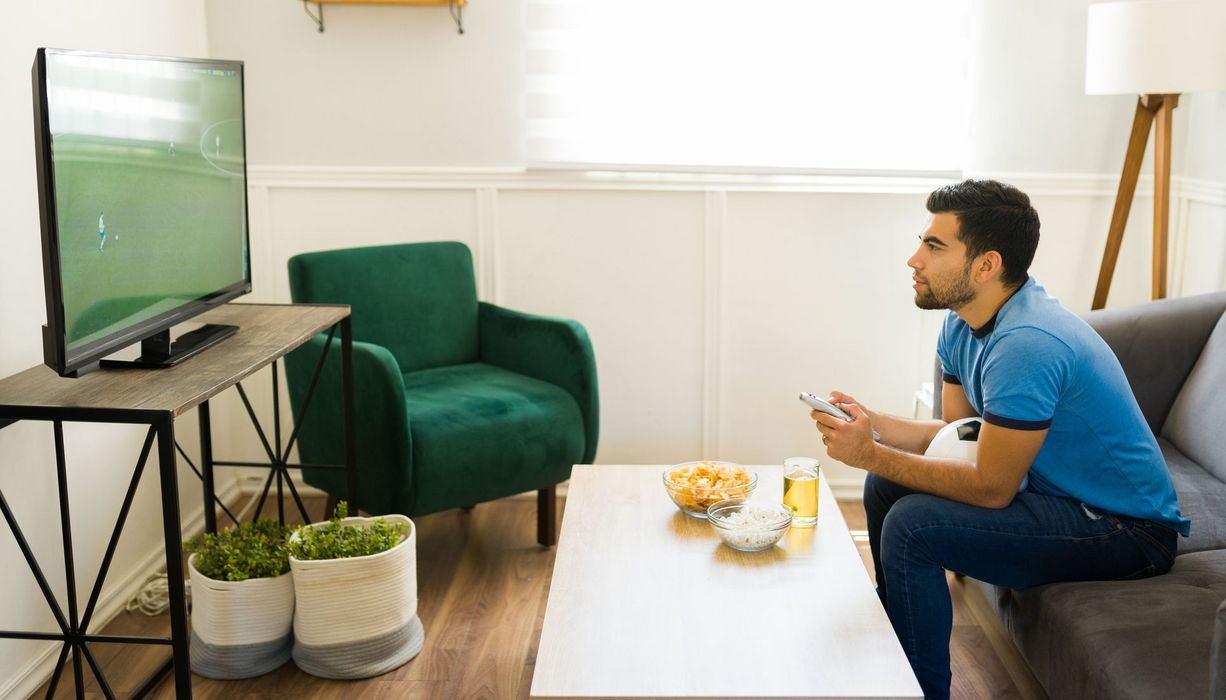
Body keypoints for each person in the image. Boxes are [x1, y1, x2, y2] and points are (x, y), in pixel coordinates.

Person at [811, 179, 1187, 700]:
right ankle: (894, 647)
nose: (913, 259)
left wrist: (872, 451)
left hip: (1124, 529)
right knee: (883, 486)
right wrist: (870, 424)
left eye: (934, 247)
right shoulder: (961, 322)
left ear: (986, 265)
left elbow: (991, 488)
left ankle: (921, 691)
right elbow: (959, 438)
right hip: (1053, 495)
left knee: (914, 527)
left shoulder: (1028, 344)